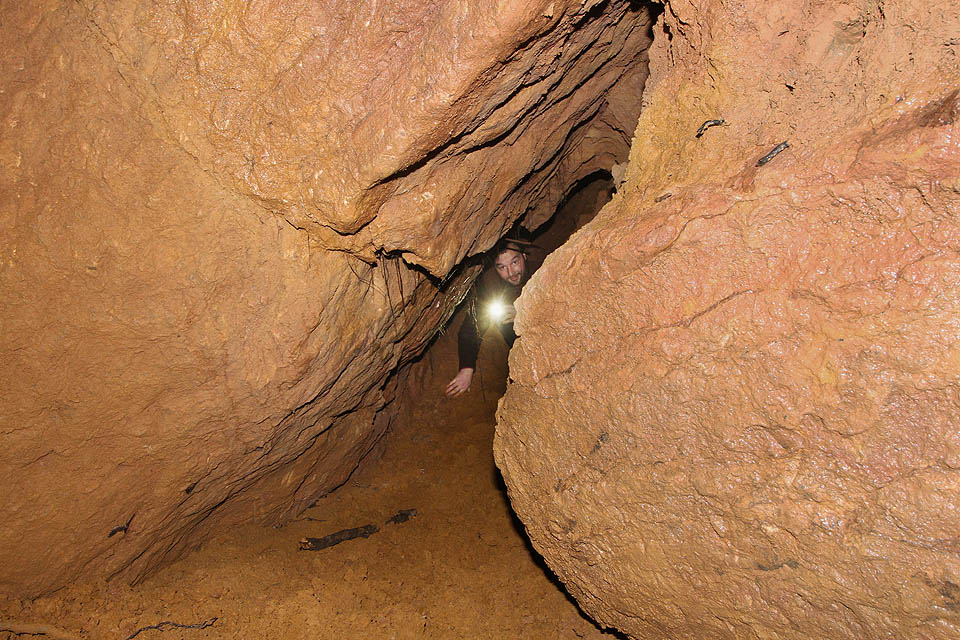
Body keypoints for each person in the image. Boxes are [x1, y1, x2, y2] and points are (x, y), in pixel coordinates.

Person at [445, 238, 531, 397]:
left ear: (524, 256)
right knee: (503, 318)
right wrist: (466, 368)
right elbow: (472, 326)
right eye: (502, 267)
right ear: (495, 268)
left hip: (546, 336)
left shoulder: (543, 270)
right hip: (523, 346)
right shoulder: (491, 287)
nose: (511, 272)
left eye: (514, 262)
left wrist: (523, 313)